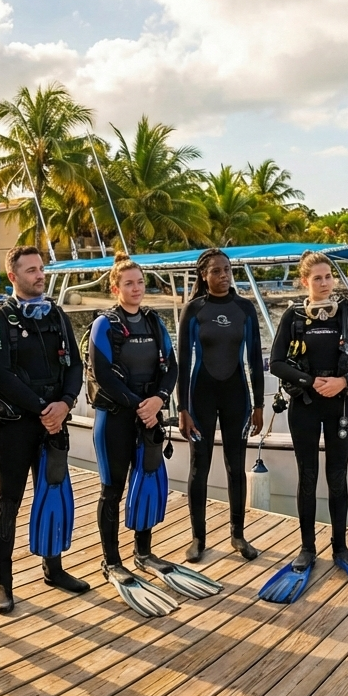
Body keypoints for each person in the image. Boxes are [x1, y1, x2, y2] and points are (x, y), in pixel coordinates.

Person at [260, 251, 348, 605]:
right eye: (317, 278)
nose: (324, 283)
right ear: (304, 282)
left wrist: (345, 380)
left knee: (338, 476)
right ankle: (307, 548)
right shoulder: (293, 318)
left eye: (329, 277)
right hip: (305, 406)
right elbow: (277, 362)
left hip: (339, 404)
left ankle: (340, 547)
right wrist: (310, 382)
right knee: (307, 476)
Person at [89, 254, 223, 618]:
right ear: (115, 288)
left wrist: (159, 399)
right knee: (112, 489)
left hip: (149, 413)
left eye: (140, 282)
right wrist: (139, 405)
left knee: (145, 483)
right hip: (115, 417)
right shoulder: (105, 324)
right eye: (129, 283)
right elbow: (104, 373)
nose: (136, 289)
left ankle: (143, 552)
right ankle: (111, 560)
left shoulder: (153, 321)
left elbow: (172, 366)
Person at [0, 245, 88, 614]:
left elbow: (74, 364)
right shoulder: (0, 319)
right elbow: (0, 374)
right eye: (30, 271)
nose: (39, 275)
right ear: (13, 277)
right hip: (16, 425)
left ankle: (54, 568)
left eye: (41, 269)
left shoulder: (55, 315)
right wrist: (44, 408)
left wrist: (66, 403)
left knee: (53, 493)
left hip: (54, 420)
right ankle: (3, 583)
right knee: (8, 501)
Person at [176, 249, 264, 563]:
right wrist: (181, 408)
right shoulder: (194, 309)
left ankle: (238, 535)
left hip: (237, 396)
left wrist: (259, 404)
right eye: (216, 271)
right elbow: (183, 361)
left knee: (235, 466)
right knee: (199, 467)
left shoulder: (244, 309)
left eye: (227, 270)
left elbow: (254, 359)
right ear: (204, 275)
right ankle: (198, 538)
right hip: (201, 396)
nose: (224, 276)